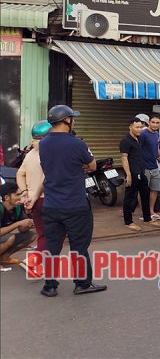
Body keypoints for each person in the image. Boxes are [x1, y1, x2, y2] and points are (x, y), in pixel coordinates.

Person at [37, 105, 106, 296]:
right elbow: (92, 165)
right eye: (72, 118)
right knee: (79, 247)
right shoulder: (77, 144)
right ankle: (83, 284)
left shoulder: (43, 144)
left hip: (51, 205)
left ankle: (50, 286)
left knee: (52, 247)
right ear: (67, 120)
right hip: (75, 205)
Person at [120, 118, 160, 232]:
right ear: (130, 127)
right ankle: (128, 222)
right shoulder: (126, 141)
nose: (139, 129)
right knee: (130, 197)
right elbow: (124, 158)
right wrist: (128, 175)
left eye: (141, 127)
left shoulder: (138, 139)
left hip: (141, 172)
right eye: (137, 127)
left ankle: (147, 218)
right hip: (132, 173)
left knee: (145, 194)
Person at [17, 120, 51, 252]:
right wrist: (36, 195)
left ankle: (39, 263)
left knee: (42, 233)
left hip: (33, 201)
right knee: (51, 236)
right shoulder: (49, 153)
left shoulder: (30, 154)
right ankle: (42, 264)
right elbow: (46, 178)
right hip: (46, 199)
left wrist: (25, 191)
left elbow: (20, 174)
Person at [1, 181, 35, 265]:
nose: (20, 197)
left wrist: (28, 222)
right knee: (10, 238)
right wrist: (18, 223)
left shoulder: (18, 208)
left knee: (31, 236)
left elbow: (22, 229)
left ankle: (4, 258)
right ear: (6, 197)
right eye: (17, 195)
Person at [137, 114, 160, 221]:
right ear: (149, 122)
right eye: (153, 122)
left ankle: (151, 211)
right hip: (144, 167)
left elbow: (156, 147)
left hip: (154, 166)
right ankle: (144, 213)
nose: (155, 124)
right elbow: (137, 149)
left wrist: (159, 157)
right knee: (143, 190)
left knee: (154, 189)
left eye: (157, 123)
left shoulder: (157, 133)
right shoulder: (143, 134)